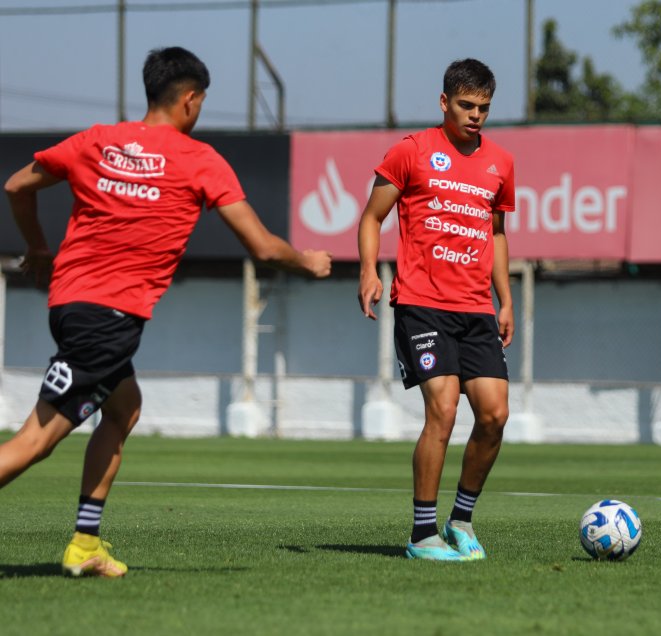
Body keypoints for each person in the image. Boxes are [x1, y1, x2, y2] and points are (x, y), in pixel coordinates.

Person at [1, 46, 332, 578]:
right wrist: (309, 262)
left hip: (69, 303)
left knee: (124, 407)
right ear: (190, 99)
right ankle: (84, 543)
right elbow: (265, 248)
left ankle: (85, 544)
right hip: (108, 320)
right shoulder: (198, 160)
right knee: (34, 442)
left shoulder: (97, 141)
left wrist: (40, 249)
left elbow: (17, 185)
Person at [357, 58, 515, 561]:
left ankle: (460, 521)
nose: (475, 116)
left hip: (475, 309)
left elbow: (495, 234)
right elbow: (371, 217)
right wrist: (367, 270)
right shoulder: (412, 152)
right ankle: (423, 534)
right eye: (466, 105)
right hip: (421, 304)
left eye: (484, 108)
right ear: (444, 102)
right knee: (443, 410)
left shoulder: (500, 164)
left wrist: (505, 299)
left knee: (494, 415)